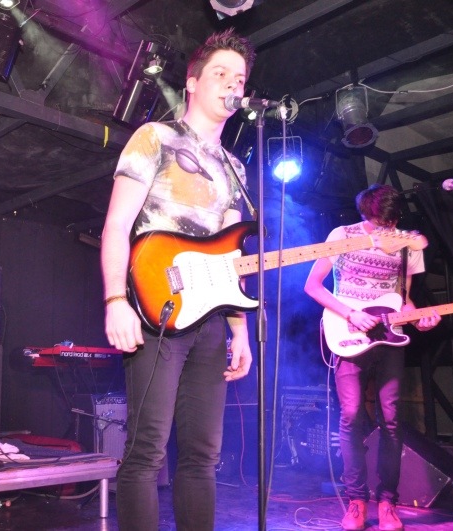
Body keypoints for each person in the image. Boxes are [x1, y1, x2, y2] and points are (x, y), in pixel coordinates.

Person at [100, 29, 255, 530]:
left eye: (240, 79)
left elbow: (230, 256)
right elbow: (117, 225)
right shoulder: (155, 138)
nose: (232, 85)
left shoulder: (235, 168)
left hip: (210, 320)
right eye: (220, 74)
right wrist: (115, 300)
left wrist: (239, 329)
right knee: (147, 450)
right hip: (157, 308)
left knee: (203, 455)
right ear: (192, 82)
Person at [304, 184, 441, 531]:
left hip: (390, 339)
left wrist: (420, 319)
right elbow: (313, 285)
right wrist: (350, 313)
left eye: (393, 220)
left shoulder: (408, 243)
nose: (388, 226)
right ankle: (356, 501)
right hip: (348, 332)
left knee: (391, 419)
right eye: (381, 220)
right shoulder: (343, 235)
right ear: (367, 213)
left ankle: (388, 502)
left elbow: (403, 299)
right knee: (351, 416)